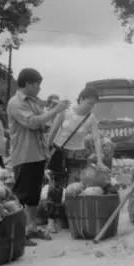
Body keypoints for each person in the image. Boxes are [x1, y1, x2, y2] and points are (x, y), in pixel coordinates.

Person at [7, 68, 70, 246]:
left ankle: (32, 228)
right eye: (37, 85)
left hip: (37, 153)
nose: (39, 89)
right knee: (22, 195)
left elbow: (42, 121)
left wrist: (50, 108)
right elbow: (32, 122)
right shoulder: (15, 103)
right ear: (27, 83)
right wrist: (55, 110)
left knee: (34, 195)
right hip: (24, 154)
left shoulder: (33, 101)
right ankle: (18, 232)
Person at [46, 87, 108, 233]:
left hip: (78, 155)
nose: (90, 107)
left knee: (74, 187)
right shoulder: (65, 112)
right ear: (80, 99)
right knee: (56, 186)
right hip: (60, 152)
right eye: (88, 103)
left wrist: (99, 160)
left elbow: (97, 140)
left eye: (93, 104)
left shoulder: (91, 118)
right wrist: (46, 151)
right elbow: (52, 132)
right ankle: (51, 220)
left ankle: (70, 218)